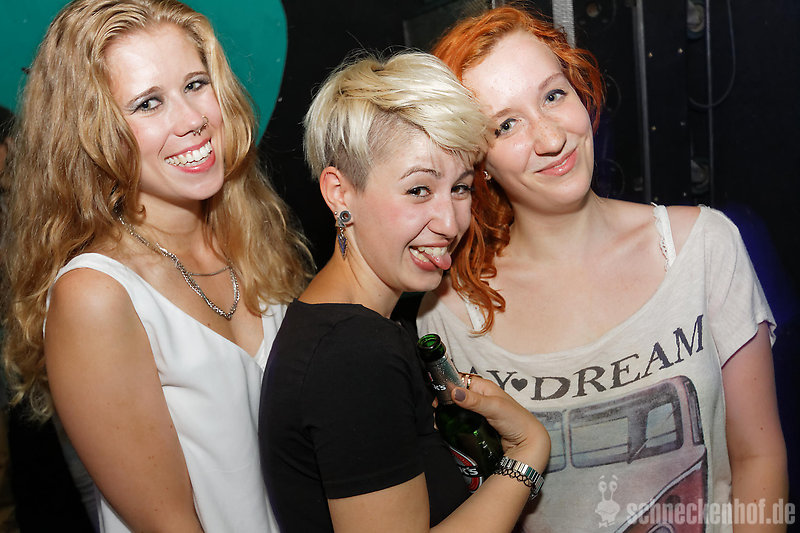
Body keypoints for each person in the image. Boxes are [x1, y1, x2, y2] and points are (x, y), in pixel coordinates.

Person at [417, 5, 788, 532]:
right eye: (506, 125)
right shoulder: (449, 313)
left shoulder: (703, 246)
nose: (550, 138)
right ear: (479, 163)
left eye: (553, 95)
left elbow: (758, 459)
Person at [1, 0, 311, 531]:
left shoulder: (249, 236)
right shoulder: (96, 295)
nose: (193, 120)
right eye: (148, 103)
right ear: (90, 130)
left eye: (196, 84)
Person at [259, 51, 550, 533]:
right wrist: (528, 452)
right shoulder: (352, 352)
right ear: (339, 193)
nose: (450, 222)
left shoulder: (347, 325)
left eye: (460, 188)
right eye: (419, 190)